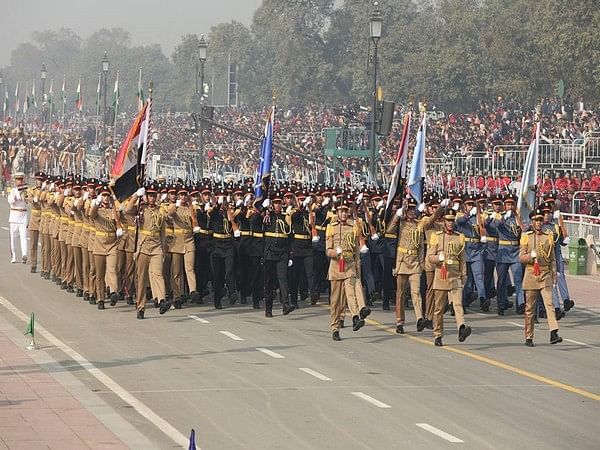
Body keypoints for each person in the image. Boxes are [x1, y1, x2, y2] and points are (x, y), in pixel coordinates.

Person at [325, 196, 370, 341]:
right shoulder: (331, 227)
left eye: (346, 210)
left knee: (351, 292)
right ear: (337, 212)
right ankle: (335, 327)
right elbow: (328, 249)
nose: (344, 213)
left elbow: (356, 249)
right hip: (336, 266)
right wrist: (335, 254)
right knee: (336, 301)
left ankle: (355, 317)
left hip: (349, 264)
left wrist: (358, 267)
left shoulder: (353, 226)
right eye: (341, 211)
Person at [427, 207, 472, 347]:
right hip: (441, 275)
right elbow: (429, 257)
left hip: (454, 275)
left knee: (458, 304)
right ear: (443, 221)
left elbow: (462, 259)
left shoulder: (460, 237)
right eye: (448, 220)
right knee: (439, 308)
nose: (451, 223)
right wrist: (438, 259)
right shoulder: (437, 236)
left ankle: (461, 328)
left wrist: (464, 275)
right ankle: (438, 334)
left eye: (453, 220)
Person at [519, 208, 562, 347]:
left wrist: (554, 274)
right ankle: (529, 336)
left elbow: (552, 258)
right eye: (535, 220)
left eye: (540, 220)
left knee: (549, 304)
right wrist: (530, 256)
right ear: (532, 222)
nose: (538, 222)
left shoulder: (548, 237)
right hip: (531, 273)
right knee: (530, 308)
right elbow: (521, 257)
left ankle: (553, 332)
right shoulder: (526, 236)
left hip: (544, 274)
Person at [7, 172, 28, 263]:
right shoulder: (13, 190)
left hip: (23, 215)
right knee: (13, 237)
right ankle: (14, 256)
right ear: (15, 180)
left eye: (21, 179)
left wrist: (24, 195)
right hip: (14, 216)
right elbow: (10, 201)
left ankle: (24, 254)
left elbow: (28, 200)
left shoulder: (26, 190)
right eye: (18, 179)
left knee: (24, 236)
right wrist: (15, 196)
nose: (19, 181)